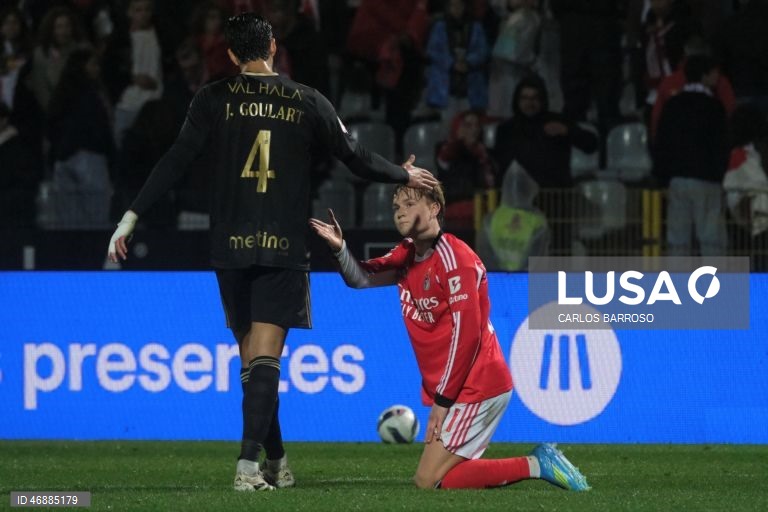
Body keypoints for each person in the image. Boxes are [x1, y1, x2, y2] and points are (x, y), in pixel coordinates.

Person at [106, 13, 438, 492]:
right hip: (283, 242)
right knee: (263, 359)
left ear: (231, 55)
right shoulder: (307, 99)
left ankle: (276, 461)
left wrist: (132, 215)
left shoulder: (212, 98)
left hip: (230, 243)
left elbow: (177, 158)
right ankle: (246, 468)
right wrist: (403, 175)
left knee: (252, 362)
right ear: (274, 47)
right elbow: (355, 156)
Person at [309, 184, 589, 491]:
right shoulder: (407, 254)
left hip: (477, 382)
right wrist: (339, 248)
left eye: (410, 202)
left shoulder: (456, 258)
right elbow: (360, 278)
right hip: (457, 387)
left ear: (434, 209)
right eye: (395, 206)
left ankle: (537, 464)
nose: (400, 210)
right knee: (442, 478)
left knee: (427, 480)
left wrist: (442, 403)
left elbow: (467, 337)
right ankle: (538, 463)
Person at [653, 54, 729, 256]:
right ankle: (716, 286)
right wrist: (721, 175)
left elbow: (661, 143)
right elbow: (721, 145)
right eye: (715, 72)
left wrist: (663, 179)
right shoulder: (714, 107)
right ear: (706, 75)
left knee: (677, 241)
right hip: (706, 179)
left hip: (677, 179)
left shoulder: (672, 105)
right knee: (712, 239)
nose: (717, 77)